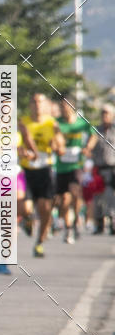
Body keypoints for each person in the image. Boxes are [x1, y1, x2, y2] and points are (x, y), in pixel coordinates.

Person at [20, 92, 65, 257]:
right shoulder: (23, 122)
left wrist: (57, 145)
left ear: (45, 105)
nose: (37, 105)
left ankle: (39, 242)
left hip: (45, 170)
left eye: (40, 102)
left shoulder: (52, 123)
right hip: (26, 170)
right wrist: (22, 151)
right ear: (30, 105)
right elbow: (16, 142)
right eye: (34, 102)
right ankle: (27, 220)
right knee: (25, 208)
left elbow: (61, 148)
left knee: (45, 209)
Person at [55, 95, 90, 243]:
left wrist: (88, 148)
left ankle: (75, 222)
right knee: (64, 199)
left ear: (72, 107)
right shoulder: (57, 123)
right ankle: (68, 227)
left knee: (75, 193)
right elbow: (53, 139)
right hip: (61, 166)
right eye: (61, 107)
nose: (63, 109)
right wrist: (58, 147)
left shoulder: (82, 123)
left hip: (76, 165)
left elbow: (93, 135)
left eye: (65, 107)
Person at [85, 104, 115, 235]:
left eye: (107, 113)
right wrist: (88, 152)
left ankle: (112, 222)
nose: (105, 115)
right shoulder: (95, 130)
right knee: (97, 196)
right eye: (103, 113)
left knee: (110, 196)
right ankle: (99, 223)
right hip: (98, 168)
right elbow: (88, 147)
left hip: (112, 168)